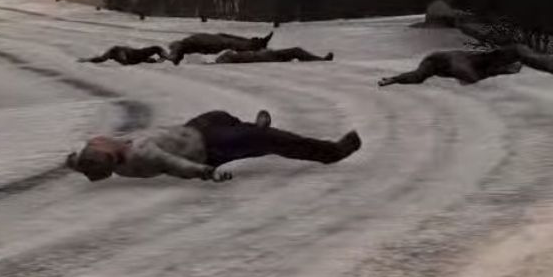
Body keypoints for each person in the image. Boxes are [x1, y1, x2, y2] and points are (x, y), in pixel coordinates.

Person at [66, 109, 361, 183]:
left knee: (221, 115)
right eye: (97, 143)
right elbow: (176, 166)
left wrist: (75, 159)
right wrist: (207, 173)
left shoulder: (110, 152)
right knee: (272, 141)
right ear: (106, 151)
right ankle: (331, 153)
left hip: (195, 128)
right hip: (209, 147)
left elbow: (87, 153)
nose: (99, 137)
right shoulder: (141, 153)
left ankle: (252, 131)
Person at [378, 43, 553, 86]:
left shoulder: (434, 60)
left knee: (519, 51)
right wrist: (395, 79)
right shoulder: (433, 65)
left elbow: (418, 76)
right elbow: (417, 76)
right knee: (517, 54)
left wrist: (395, 79)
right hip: (478, 65)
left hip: (479, 59)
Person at [166, 30, 273, 65]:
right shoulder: (179, 46)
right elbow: (176, 55)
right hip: (208, 43)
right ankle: (256, 45)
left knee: (229, 37)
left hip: (208, 39)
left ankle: (256, 42)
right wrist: (172, 57)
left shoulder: (182, 43)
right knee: (230, 42)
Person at [214, 46, 333, 64]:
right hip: (270, 57)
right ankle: (321, 59)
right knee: (296, 51)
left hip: (269, 55)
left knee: (296, 51)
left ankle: (319, 59)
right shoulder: (234, 57)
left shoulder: (236, 56)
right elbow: (221, 59)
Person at [82, 44, 168, 66]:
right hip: (133, 58)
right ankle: (161, 57)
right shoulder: (112, 53)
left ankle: (163, 56)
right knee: (142, 58)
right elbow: (101, 59)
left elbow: (157, 48)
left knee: (154, 50)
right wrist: (88, 60)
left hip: (136, 55)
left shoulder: (120, 50)